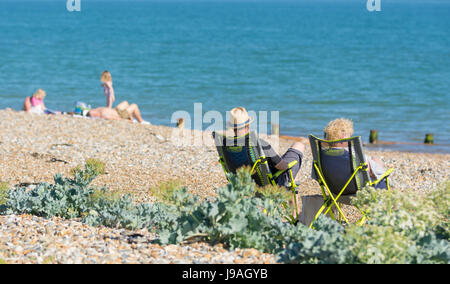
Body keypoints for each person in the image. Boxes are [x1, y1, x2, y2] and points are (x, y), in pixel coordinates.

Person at [228, 107, 305, 187]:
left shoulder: (227, 146)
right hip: (271, 184)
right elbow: (282, 167)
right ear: (247, 126)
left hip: (247, 184)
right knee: (299, 145)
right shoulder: (259, 144)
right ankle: (292, 192)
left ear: (233, 128)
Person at [322, 118, 387, 184]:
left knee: (373, 159)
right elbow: (371, 173)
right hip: (355, 187)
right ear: (343, 136)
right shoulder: (351, 154)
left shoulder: (323, 154)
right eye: (349, 135)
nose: (350, 137)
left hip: (336, 188)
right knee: (376, 161)